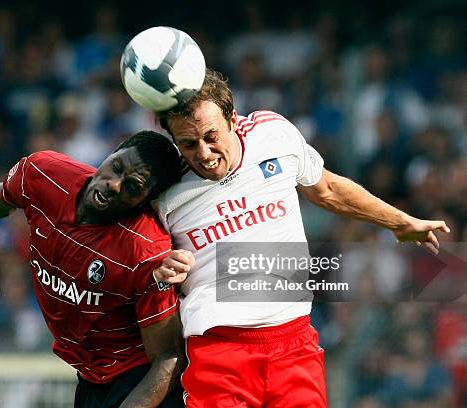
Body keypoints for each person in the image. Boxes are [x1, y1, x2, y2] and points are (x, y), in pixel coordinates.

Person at [151, 69, 450, 407]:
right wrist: (162, 271)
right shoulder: (163, 188)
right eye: (188, 144)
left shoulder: (272, 134)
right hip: (218, 350)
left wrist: (398, 222)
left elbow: (327, 190)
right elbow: (140, 257)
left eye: (211, 136)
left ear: (232, 118)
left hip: (294, 344)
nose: (203, 153)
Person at [0, 130, 185, 408]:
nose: (115, 185)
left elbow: (166, 357)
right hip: (90, 376)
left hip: (134, 378)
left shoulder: (144, 250)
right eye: (117, 167)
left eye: (133, 187)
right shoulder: (46, 175)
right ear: (112, 152)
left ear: (146, 200)